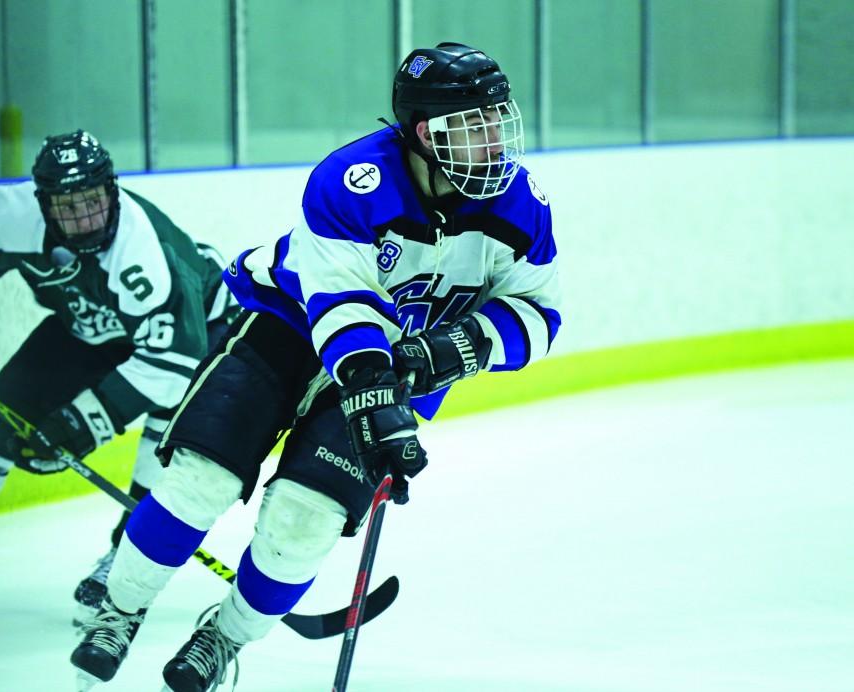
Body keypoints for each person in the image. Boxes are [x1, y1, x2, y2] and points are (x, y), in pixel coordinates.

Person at [71, 42, 561, 691]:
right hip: (288, 325)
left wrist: (450, 350)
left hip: (402, 366)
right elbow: (340, 302)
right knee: (201, 479)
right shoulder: (353, 179)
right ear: (423, 134)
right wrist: (373, 386)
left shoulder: (522, 206)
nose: (493, 140)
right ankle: (120, 611)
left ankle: (222, 638)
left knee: (307, 520)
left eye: (496, 120)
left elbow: (537, 312)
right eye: (471, 128)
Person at [0, 131, 235, 624]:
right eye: (68, 206)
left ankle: (124, 564)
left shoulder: (144, 253)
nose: (83, 219)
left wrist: (80, 425)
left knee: (165, 447)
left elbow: (169, 363)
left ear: (113, 191)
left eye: (93, 202)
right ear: (43, 204)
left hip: (196, 334)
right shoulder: (6, 215)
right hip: (88, 323)